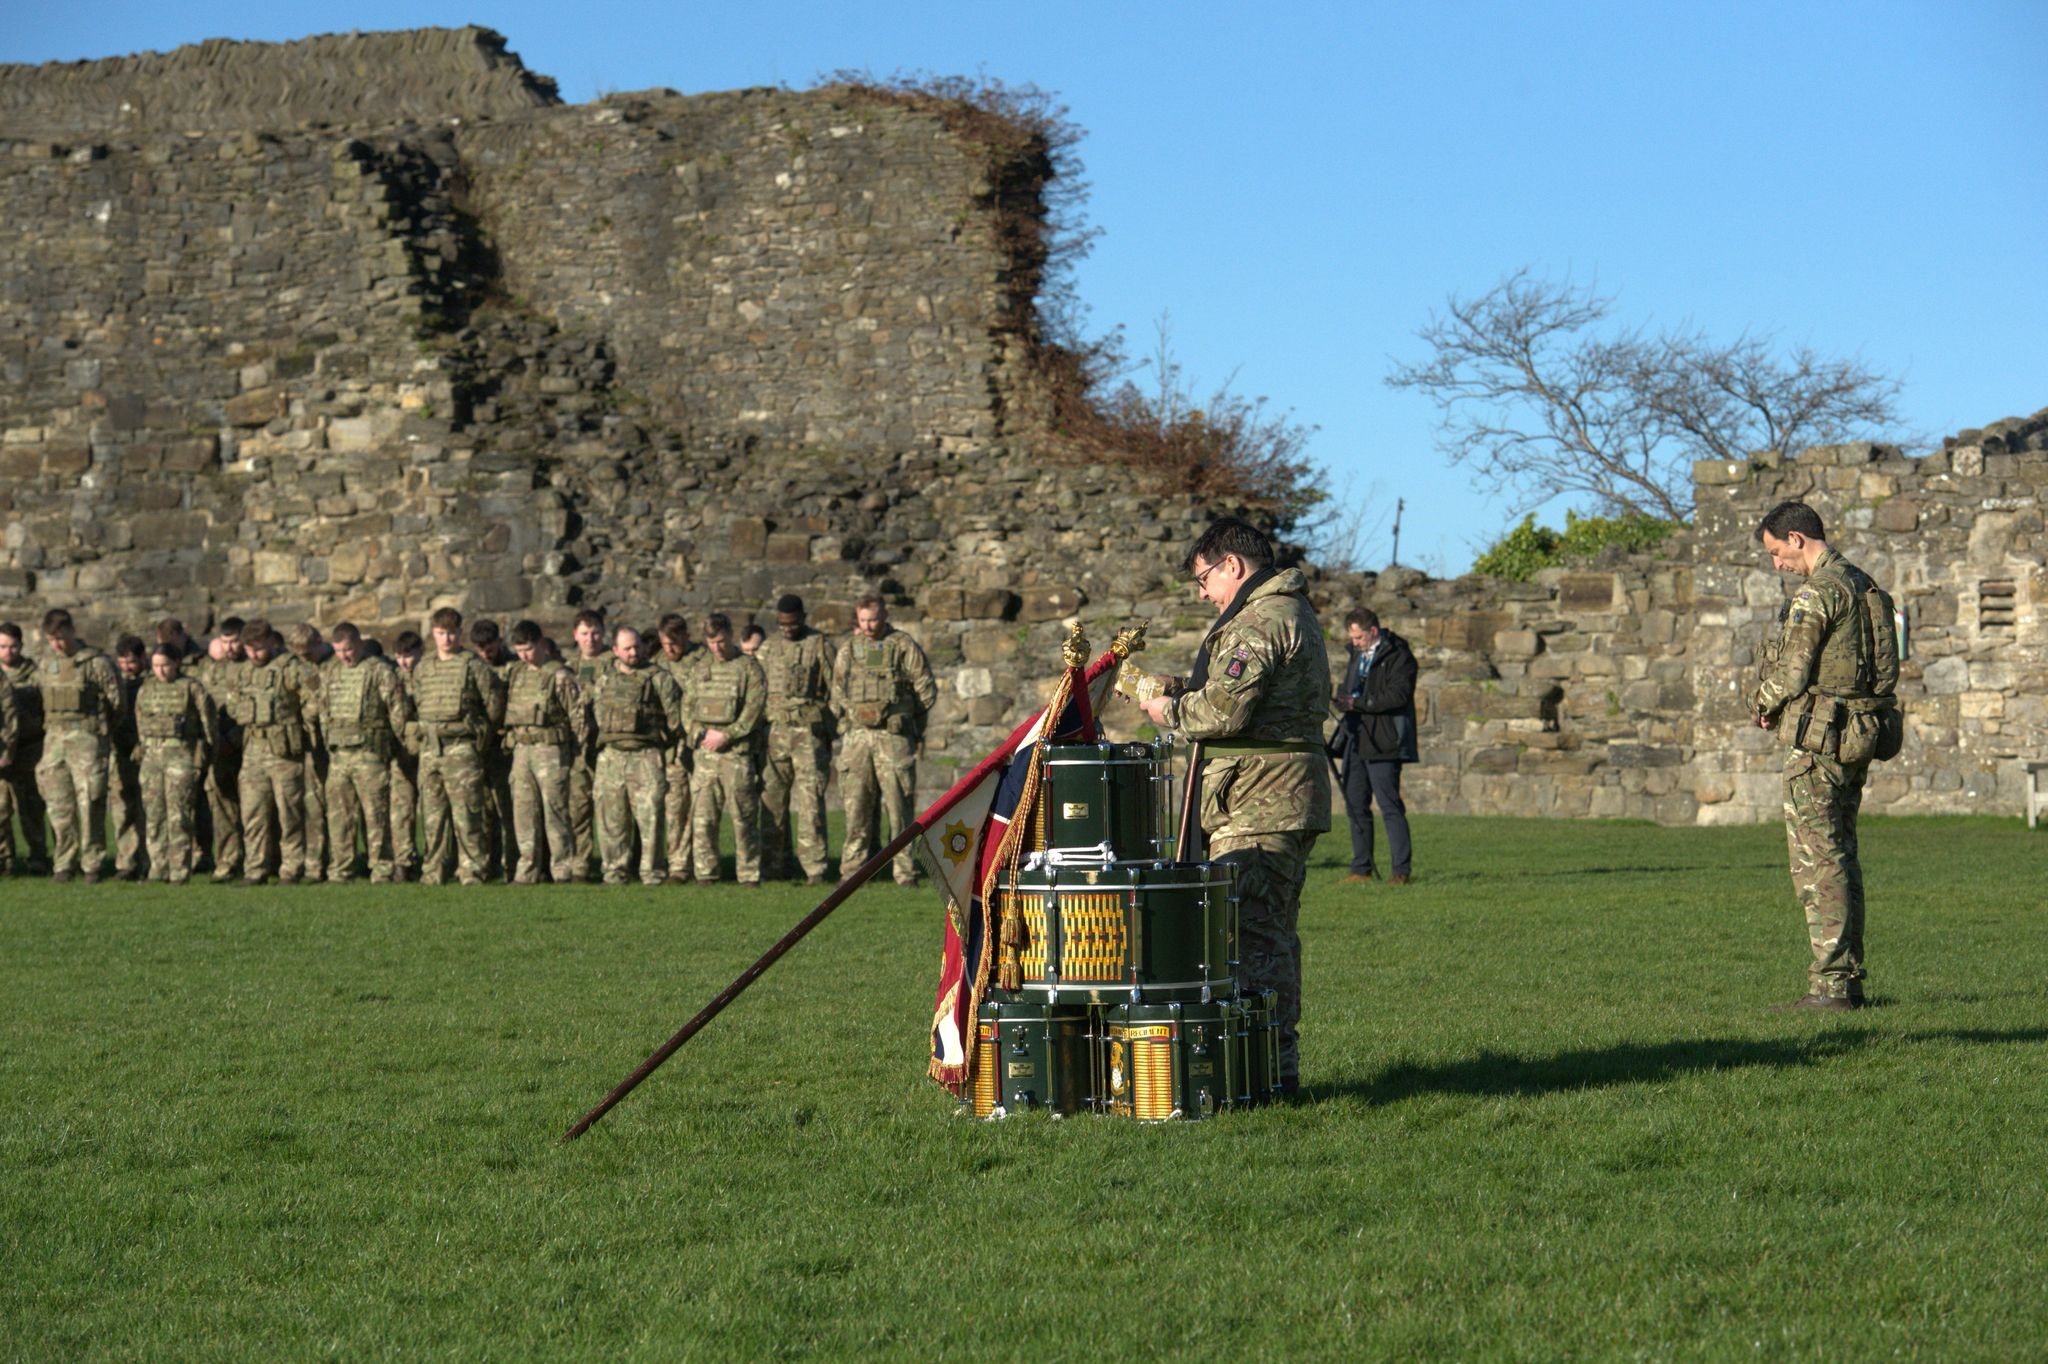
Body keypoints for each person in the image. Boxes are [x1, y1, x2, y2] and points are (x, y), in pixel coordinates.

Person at [1141, 517, 1330, 1096]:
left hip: (1259, 802)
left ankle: (1271, 1071)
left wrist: (1166, 712)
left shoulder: (1260, 620)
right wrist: (1176, 684)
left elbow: (1223, 714)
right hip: (1268, 795)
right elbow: (1248, 694)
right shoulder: (1283, 612)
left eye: (1204, 578)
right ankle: (1264, 1066)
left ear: (1233, 565)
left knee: (1256, 938)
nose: (1202, 593)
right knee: (1264, 932)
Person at [1752, 500, 1887, 1011]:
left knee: (1817, 861)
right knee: (1843, 856)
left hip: (1817, 745)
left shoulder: (1819, 592)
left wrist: (1763, 705)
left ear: (1797, 538)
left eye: (1775, 552)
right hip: (1858, 736)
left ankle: (1830, 986)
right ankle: (1847, 979)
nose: (1776, 565)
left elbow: (1791, 673)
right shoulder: (1866, 586)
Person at [831, 594, 936, 887]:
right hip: (857, 739)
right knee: (856, 806)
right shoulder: (850, 649)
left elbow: (925, 688)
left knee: (898, 807)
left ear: (885, 614)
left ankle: (904, 872)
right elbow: (837, 690)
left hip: (893, 738)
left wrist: (907, 721)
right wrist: (850, 716)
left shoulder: (903, 645)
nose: (868, 625)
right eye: (863, 620)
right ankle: (852, 872)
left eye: (873, 619)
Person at [411, 607, 505, 887]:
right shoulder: (424, 667)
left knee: (468, 814)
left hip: (462, 748)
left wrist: (479, 735)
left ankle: (472, 870)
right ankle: (434, 871)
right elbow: (416, 703)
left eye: (452, 632)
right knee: (433, 816)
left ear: (460, 633)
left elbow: (494, 705)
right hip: (430, 749)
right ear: (433, 634)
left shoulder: (474, 665)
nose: (447, 639)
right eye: (441, 633)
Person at [588, 625, 684, 886]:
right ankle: (614, 872)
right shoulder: (604, 679)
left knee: (651, 817)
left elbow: (676, 721)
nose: (633, 652)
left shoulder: (659, 678)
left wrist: (664, 749)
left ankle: (652, 872)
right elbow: (595, 715)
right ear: (615, 650)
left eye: (637, 646)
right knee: (611, 819)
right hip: (611, 756)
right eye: (627, 648)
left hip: (646, 755)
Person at [1329, 607, 1417, 886]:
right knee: (1355, 805)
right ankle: (1361, 868)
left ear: (1373, 631)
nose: (1354, 643)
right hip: (1356, 737)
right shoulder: (1356, 655)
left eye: (1358, 637)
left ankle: (1400, 871)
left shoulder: (1400, 655)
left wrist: (1360, 703)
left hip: (1385, 741)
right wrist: (1343, 700)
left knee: (1389, 806)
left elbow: (1398, 695)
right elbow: (1350, 688)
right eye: (1352, 638)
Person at [36, 609, 124, 883]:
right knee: (58, 805)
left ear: (72, 631)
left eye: (61, 638)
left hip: (87, 740)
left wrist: (100, 731)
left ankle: (92, 864)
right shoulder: (46, 665)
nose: (57, 645)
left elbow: (117, 703)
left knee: (90, 802)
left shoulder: (95, 663)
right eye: (52, 640)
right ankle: (63, 862)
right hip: (54, 741)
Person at [755, 594, 836, 884]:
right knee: (772, 801)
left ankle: (814, 868)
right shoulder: (768, 648)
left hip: (808, 735)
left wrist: (826, 727)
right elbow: (758, 688)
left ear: (802, 617)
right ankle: (774, 865)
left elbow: (835, 689)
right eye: (781, 624)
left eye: (792, 624)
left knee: (810, 802)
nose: (787, 629)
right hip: (774, 733)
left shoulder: (820, 645)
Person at [320, 623, 410, 884]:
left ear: (359, 644)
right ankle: (341, 870)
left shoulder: (379, 671)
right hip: (339, 756)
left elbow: (397, 711)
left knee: (376, 816)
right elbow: (324, 712)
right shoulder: (330, 672)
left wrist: (399, 746)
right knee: (339, 818)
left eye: (348, 649)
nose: (344, 656)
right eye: (338, 651)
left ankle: (381, 869)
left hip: (369, 754)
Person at [503, 619, 587, 884]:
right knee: (523, 813)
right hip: (522, 750)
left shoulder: (559, 675)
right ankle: (527, 869)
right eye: (519, 650)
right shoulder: (517, 673)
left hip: (551, 751)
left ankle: (562, 868)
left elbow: (578, 718)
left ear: (541, 643)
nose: (524, 655)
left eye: (528, 649)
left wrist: (574, 755)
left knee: (555, 812)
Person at [689, 613, 768, 886]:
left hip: (736, 755)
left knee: (743, 818)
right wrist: (702, 734)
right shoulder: (700, 669)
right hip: (706, 755)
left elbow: (754, 711)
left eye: (721, 641)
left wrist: (727, 735)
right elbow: (687, 710)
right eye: (711, 642)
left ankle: (748, 874)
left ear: (731, 635)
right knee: (703, 820)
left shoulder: (749, 668)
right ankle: (706, 874)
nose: (716, 648)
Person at [232, 619, 313, 884]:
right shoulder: (242, 672)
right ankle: (255, 868)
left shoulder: (291, 668)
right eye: (249, 649)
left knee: (289, 812)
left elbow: (314, 699)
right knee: (253, 814)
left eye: (259, 648)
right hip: (253, 749)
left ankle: (291, 867)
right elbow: (233, 705)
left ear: (270, 642)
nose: (254, 654)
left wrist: (302, 727)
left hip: (284, 751)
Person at [133, 645, 218, 884]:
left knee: (178, 815)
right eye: (156, 665)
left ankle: (180, 870)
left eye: (166, 665)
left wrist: (206, 755)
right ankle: (158, 868)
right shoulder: (146, 689)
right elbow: (140, 721)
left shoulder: (192, 688)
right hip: (152, 756)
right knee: (154, 815)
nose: (161, 671)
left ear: (177, 663)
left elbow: (209, 725)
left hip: (181, 755)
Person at [195, 618, 247, 882]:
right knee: (222, 809)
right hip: (219, 749)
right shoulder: (210, 671)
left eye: (234, 641)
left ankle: (260, 860)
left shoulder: (252, 668)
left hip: (249, 748)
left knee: (254, 809)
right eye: (225, 642)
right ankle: (227, 861)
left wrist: (234, 738)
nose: (229, 647)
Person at [654, 614, 704, 882]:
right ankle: (678, 866)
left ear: (686, 636)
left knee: (702, 808)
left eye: (674, 642)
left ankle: (703, 864)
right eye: (664, 643)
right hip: (674, 749)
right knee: (675, 808)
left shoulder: (703, 660)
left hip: (702, 744)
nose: (669, 649)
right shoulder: (658, 665)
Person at [0, 622, 52, 876]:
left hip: (30, 747)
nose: (8, 651)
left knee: (32, 807)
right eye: (2, 646)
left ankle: (38, 857)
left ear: (21, 645)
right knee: (1, 808)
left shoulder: (35, 673)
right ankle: (6, 859)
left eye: (13, 646)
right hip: (1, 749)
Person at [470, 619, 519, 882]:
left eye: (489, 647)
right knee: (484, 812)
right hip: (480, 747)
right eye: (481, 648)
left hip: (505, 747)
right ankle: (489, 865)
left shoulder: (514, 667)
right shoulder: (471, 666)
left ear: (499, 642)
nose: (485, 653)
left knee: (510, 812)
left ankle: (512, 866)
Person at [284, 623, 333, 881]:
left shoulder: (335, 664)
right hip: (304, 744)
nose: (305, 660)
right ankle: (311, 864)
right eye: (300, 656)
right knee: (307, 806)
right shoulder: (295, 668)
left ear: (318, 642)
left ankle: (328, 863)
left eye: (308, 654)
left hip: (332, 742)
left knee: (330, 807)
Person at [567, 609, 611, 881]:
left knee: (612, 813)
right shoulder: (567, 668)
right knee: (578, 810)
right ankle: (580, 866)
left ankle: (616, 864)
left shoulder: (614, 661)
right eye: (584, 634)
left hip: (607, 747)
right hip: (578, 751)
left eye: (595, 633)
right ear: (575, 635)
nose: (590, 639)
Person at [109, 635, 150, 879]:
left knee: (148, 812)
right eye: (122, 662)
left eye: (132, 662)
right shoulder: (115, 683)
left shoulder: (152, 683)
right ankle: (126, 862)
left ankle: (149, 861)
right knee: (121, 810)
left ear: (143, 658)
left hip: (145, 753)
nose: (127, 668)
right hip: (120, 753)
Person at [387, 630, 425, 881]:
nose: (403, 662)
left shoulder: (429, 676)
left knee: (434, 811)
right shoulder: (392, 679)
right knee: (401, 810)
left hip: (427, 751)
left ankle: (436, 859)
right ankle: (403, 861)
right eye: (399, 656)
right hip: (400, 754)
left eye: (408, 656)